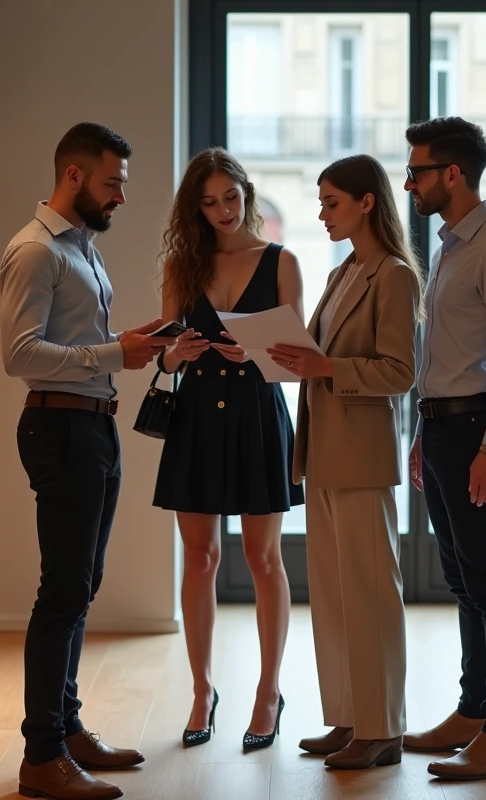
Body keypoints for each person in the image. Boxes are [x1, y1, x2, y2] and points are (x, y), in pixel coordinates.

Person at [0, 122, 176, 800]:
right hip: (60, 430)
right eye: (113, 184)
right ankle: (40, 755)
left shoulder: (81, 249)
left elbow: (80, 341)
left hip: (94, 429)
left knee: (81, 587)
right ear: (73, 176)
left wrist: (137, 344)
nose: (121, 198)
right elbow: (19, 356)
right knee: (62, 592)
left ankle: (66, 729)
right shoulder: (35, 251)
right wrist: (112, 353)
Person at [269, 154, 421, 770]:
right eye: (320, 203)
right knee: (332, 596)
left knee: (370, 593)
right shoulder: (341, 275)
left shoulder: (394, 276)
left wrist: (326, 368)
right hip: (325, 452)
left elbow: (400, 372)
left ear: (365, 202)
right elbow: (311, 352)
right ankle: (350, 718)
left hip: (361, 455)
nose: (323, 213)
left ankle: (382, 728)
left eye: (332, 202)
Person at [152, 147, 305, 752]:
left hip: (257, 412)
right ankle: (201, 690)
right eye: (208, 202)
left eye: (230, 198)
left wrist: (261, 354)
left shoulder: (282, 261)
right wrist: (177, 353)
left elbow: (298, 359)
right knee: (199, 557)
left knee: (264, 559)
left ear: (247, 193)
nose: (221, 211)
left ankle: (269, 692)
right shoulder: (180, 266)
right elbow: (161, 354)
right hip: (196, 414)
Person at [401, 117, 486, 781]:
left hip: (475, 430)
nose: (409, 182)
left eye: (418, 170)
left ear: (452, 174)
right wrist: (423, 434)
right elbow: (442, 356)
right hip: (442, 429)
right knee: (461, 578)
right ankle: (473, 711)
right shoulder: (452, 248)